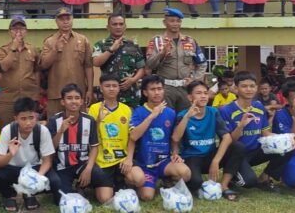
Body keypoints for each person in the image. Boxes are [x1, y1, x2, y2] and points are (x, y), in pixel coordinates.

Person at [0, 97, 61, 211]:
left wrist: (37, 178)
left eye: (31, 118)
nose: (28, 123)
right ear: (16, 119)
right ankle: (10, 194)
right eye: (23, 119)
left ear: (36, 116)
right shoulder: (7, 130)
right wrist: (10, 154)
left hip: (34, 168)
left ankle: (29, 193)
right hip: (13, 169)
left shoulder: (42, 131)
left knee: (55, 181)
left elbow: (47, 161)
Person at [171, 81, 243, 200]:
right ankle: (175, 180)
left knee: (237, 146)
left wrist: (216, 161)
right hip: (191, 157)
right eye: (198, 93)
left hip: (210, 155)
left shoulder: (213, 112)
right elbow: (175, 138)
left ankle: (224, 185)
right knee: (195, 183)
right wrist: (187, 116)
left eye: (205, 93)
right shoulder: (182, 115)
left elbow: (226, 137)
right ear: (190, 97)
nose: (203, 96)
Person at [220, 71, 289, 192]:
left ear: (256, 88)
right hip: (236, 155)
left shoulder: (258, 106)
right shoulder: (226, 110)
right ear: (236, 88)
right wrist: (241, 126)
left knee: (287, 147)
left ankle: (264, 178)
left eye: (252, 86)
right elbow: (230, 142)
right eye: (244, 86)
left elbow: (265, 133)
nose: (249, 89)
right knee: (250, 181)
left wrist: (284, 138)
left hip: (255, 151)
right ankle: (232, 175)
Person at [128, 75, 191, 201]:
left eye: (160, 89)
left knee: (185, 173)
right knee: (147, 196)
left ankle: (167, 180)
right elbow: (133, 136)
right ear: (145, 92)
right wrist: (152, 115)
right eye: (153, 89)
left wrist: (175, 153)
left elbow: (173, 138)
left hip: (164, 162)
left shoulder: (170, 112)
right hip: (145, 164)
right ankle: (141, 182)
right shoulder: (139, 112)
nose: (157, 92)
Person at [47, 84, 109, 204]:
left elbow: (94, 147)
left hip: (82, 164)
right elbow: (51, 149)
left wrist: (88, 169)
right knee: (61, 200)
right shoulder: (54, 121)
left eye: (77, 98)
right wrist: (60, 131)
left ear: (81, 101)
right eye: (69, 98)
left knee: (99, 175)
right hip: (62, 166)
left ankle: (82, 186)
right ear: (63, 102)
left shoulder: (89, 120)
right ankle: (74, 189)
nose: (73, 101)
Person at [88, 73, 144, 201]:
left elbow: (132, 137)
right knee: (104, 199)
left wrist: (129, 159)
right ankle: (107, 184)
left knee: (139, 179)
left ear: (119, 88)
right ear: (101, 88)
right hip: (102, 160)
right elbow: (90, 137)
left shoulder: (126, 110)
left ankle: (122, 181)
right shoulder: (94, 108)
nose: (111, 89)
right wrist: (98, 121)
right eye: (107, 86)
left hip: (121, 159)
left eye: (114, 86)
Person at [145, 8, 205, 112]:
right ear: (165, 22)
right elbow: (149, 65)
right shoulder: (157, 41)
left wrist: (195, 80)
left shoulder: (190, 41)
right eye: (172, 21)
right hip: (165, 88)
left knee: (186, 116)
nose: (175, 24)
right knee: (166, 117)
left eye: (178, 21)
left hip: (185, 88)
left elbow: (202, 64)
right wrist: (162, 53)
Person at [40, 7, 94, 117]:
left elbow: (88, 66)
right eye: (61, 19)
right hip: (56, 94)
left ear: (72, 19)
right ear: (56, 21)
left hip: (78, 94)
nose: (65, 22)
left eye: (68, 18)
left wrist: (90, 90)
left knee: (79, 124)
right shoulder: (49, 41)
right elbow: (44, 65)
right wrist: (55, 49)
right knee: (56, 124)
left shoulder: (83, 40)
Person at [0, 16, 40, 129]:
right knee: (7, 130)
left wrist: (36, 93)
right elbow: (4, 67)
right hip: (8, 100)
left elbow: (36, 71)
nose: (18, 32)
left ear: (26, 32)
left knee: (30, 130)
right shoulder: (2, 50)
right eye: (15, 29)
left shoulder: (32, 50)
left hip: (28, 98)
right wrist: (13, 49)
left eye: (21, 29)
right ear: (10, 32)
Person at [92, 14, 145, 108]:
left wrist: (133, 80)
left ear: (125, 26)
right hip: (109, 95)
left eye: (121, 24)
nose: (118, 27)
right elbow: (96, 62)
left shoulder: (133, 45)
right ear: (108, 27)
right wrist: (111, 49)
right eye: (114, 24)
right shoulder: (101, 44)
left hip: (130, 95)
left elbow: (141, 68)